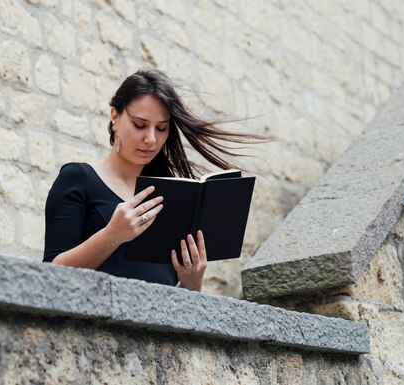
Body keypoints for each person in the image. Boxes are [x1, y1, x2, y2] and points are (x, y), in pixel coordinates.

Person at [43, 69, 263, 292]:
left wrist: (192, 283)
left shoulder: (172, 197)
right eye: (140, 125)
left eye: (161, 128)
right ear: (115, 117)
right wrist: (112, 235)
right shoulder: (78, 179)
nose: (151, 139)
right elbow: (50, 276)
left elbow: (170, 299)